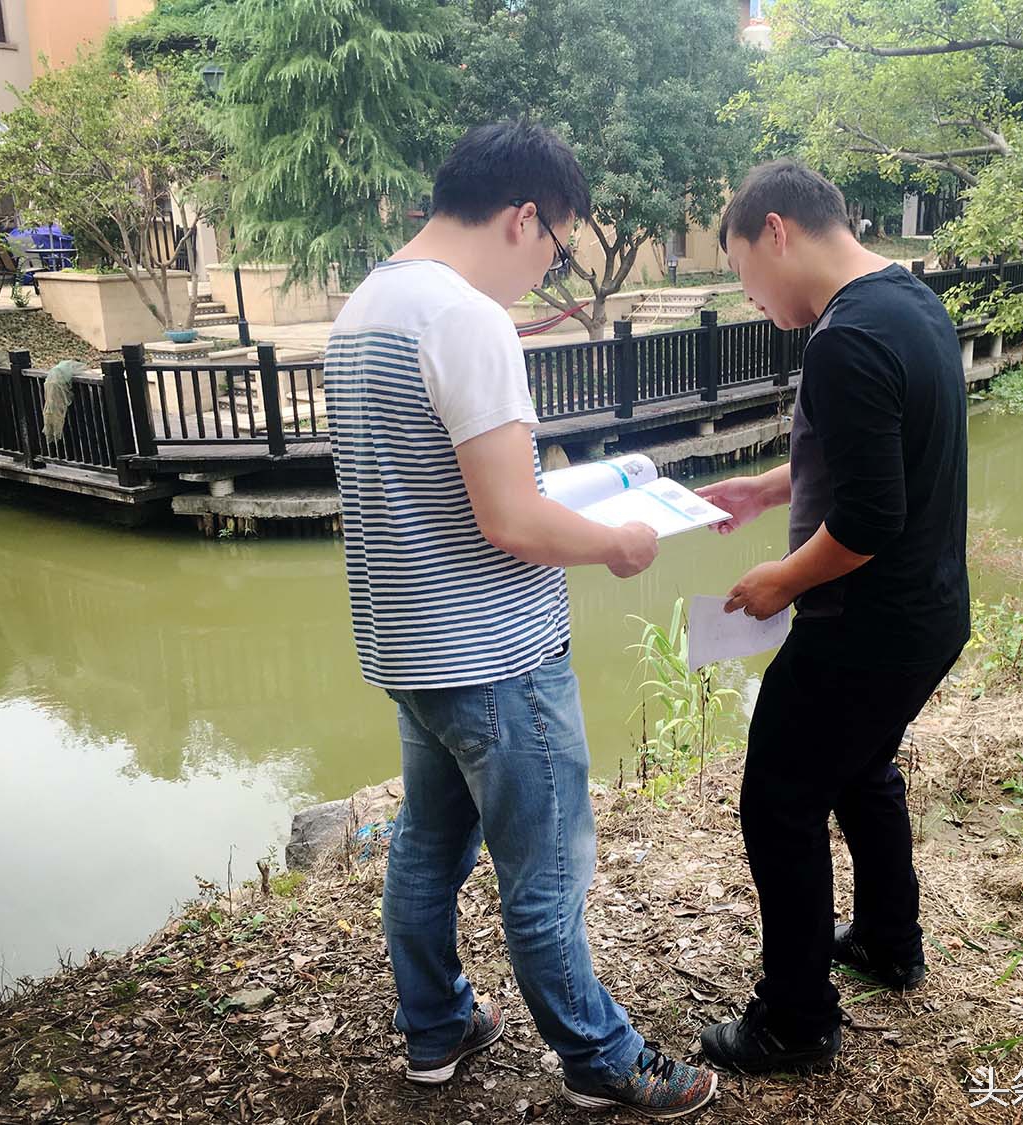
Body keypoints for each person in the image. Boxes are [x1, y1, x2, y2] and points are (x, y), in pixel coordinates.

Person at [324, 121, 718, 1118]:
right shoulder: (465, 320)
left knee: (427, 848)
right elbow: (508, 518)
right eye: (557, 248)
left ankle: (436, 1026)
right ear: (523, 217)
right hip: (497, 656)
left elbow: (441, 493)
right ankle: (600, 1059)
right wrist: (617, 542)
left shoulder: (367, 305)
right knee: (545, 875)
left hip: (413, 649)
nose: (548, 270)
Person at [695, 159, 970, 1073]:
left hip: (863, 625)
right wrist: (764, 488)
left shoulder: (844, 340)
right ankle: (890, 940)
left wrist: (780, 579)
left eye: (742, 270)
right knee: (860, 768)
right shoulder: (907, 301)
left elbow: (868, 517)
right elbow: (873, 450)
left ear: (776, 232)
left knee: (779, 798)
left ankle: (796, 1020)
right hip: (930, 613)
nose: (748, 294)